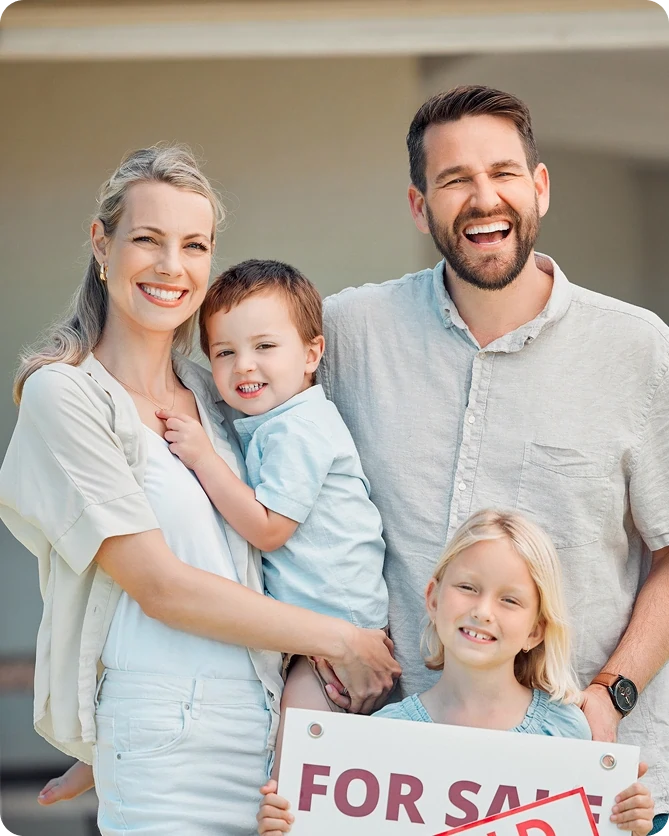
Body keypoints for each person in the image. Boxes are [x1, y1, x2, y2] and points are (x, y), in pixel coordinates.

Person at [0, 145, 399, 834]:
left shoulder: (217, 393)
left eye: (193, 245)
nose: (171, 265)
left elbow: (260, 556)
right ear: (101, 244)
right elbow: (161, 588)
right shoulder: (65, 395)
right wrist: (344, 640)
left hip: (270, 722)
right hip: (168, 744)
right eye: (146, 240)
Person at [318, 86, 669, 836]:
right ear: (419, 207)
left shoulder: (636, 348)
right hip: (397, 784)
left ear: (539, 186)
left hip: (593, 783)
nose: (484, 199)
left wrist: (614, 693)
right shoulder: (349, 334)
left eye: (503, 172)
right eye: (454, 180)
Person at [256, 509, 655, 836]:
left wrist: (626, 824)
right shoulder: (384, 737)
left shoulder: (566, 731)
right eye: (468, 587)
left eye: (510, 600)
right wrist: (289, 827)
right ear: (433, 599)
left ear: (536, 630)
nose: (483, 611)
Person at [157, 258, 388, 759]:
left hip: (337, 626)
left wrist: (203, 458)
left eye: (264, 346)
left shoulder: (298, 429)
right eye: (225, 352)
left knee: (297, 754)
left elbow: (268, 529)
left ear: (311, 354)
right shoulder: (272, 421)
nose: (244, 365)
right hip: (317, 626)